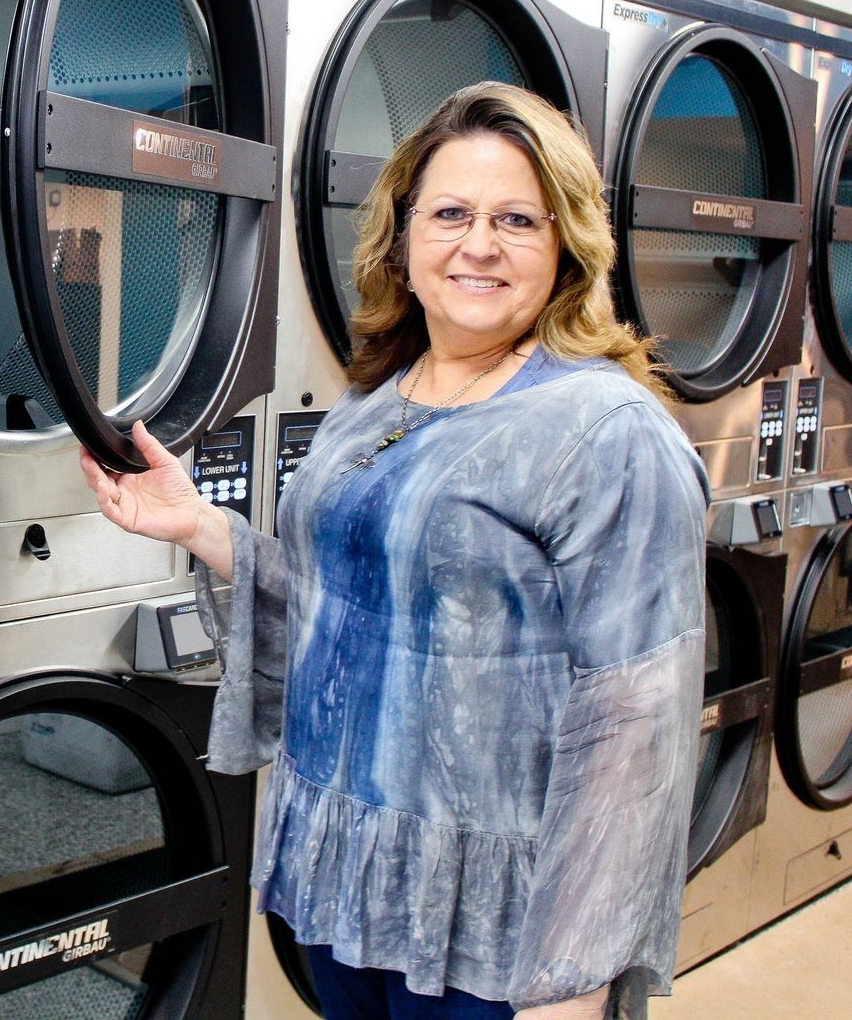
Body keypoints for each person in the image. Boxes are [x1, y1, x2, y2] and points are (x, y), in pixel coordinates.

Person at [82, 82, 708, 1020]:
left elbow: (637, 722)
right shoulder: (379, 399)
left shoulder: (603, 427)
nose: (479, 245)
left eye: (516, 220)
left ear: (567, 246)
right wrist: (204, 529)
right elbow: (352, 613)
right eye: (450, 213)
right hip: (349, 886)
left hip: (497, 927)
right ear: (404, 238)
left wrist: (572, 983)